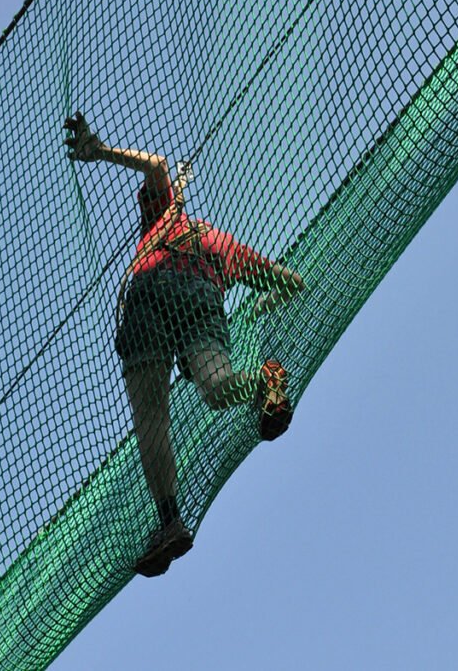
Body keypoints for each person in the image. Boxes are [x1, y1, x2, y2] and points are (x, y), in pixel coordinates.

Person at [63, 112, 305, 577]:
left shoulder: (161, 216)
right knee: (217, 388)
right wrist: (262, 303)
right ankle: (264, 381)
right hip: (202, 299)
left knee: (151, 416)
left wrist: (97, 151)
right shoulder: (225, 245)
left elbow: (156, 166)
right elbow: (290, 281)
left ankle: (170, 520)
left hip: (151, 295)